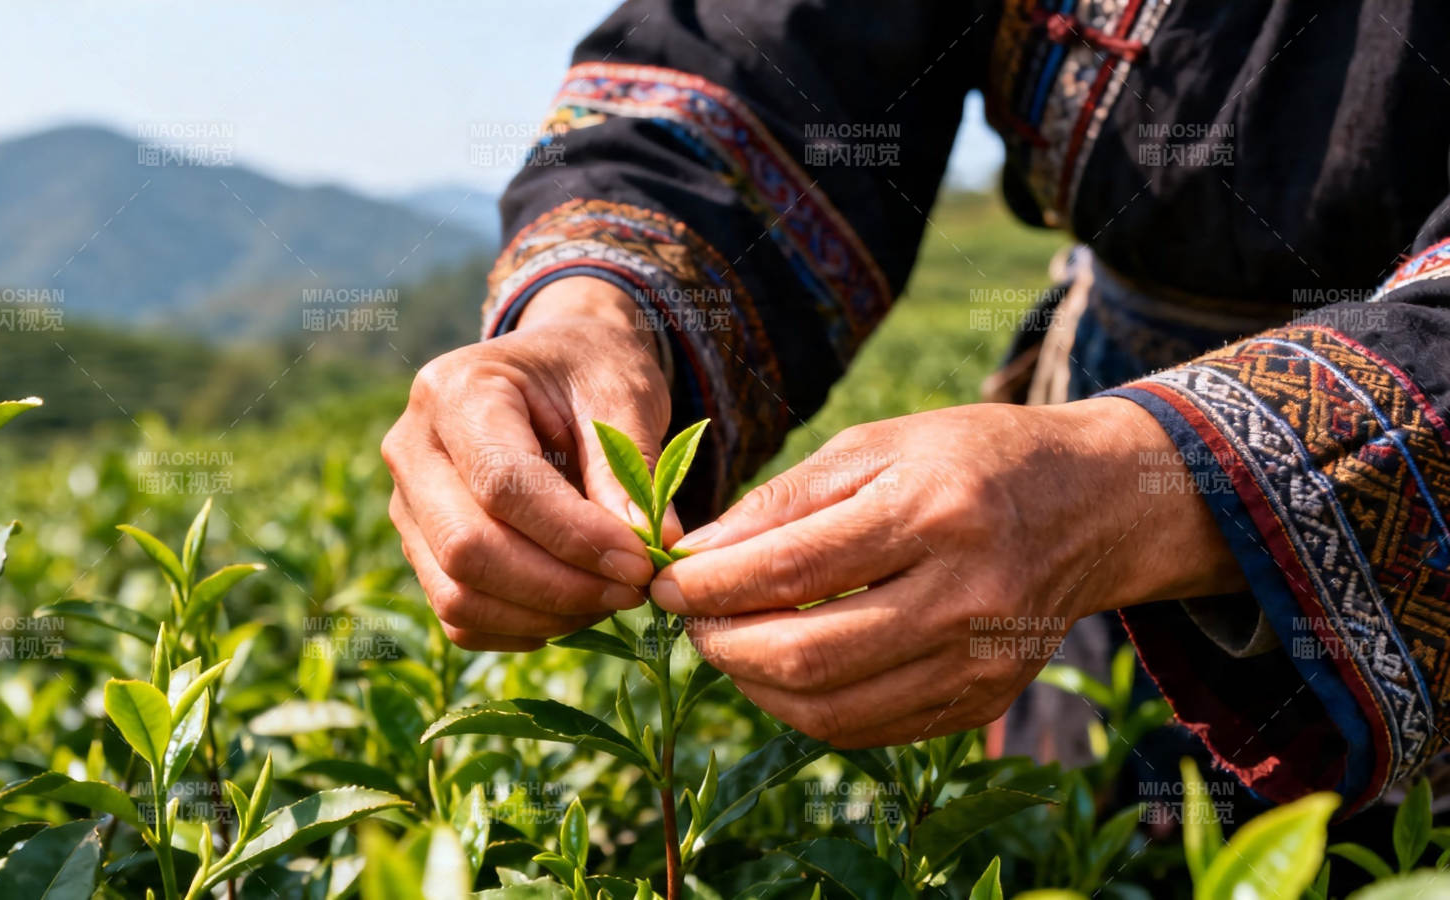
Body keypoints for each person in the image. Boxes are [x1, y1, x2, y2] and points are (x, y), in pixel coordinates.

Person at [380, 0, 1450, 817]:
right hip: (1094, 548)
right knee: (1088, 833)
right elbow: (767, 53)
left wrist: (1151, 483)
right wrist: (595, 315)